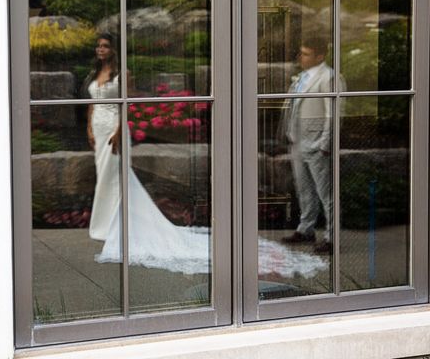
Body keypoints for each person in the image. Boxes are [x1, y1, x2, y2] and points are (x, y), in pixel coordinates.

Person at [84, 33, 328, 277]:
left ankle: (119, 226)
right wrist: (89, 126)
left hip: (115, 130)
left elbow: (126, 103)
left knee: (117, 177)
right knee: (103, 178)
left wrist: (118, 130)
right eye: (98, 45)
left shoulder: (121, 73)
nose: (100, 49)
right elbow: (92, 102)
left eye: (105, 45)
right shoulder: (95, 73)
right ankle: (104, 224)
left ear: (114, 49)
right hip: (98, 127)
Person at [281, 36, 334, 254]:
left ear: (320, 56)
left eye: (306, 53)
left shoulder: (329, 77)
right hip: (298, 141)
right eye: (301, 53)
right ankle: (306, 229)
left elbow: (333, 114)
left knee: (326, 192)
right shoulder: (302, 77)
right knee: (304, 189)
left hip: (316, 144)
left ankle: (331, 237)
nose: (300, 57)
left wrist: (325, 143)